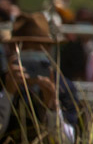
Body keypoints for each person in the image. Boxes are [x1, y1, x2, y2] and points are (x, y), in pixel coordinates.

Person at [1, 12, 81, 144]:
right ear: (12, 50)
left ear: (48, 50)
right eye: (25, 48)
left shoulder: (63, 87)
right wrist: (7, 94)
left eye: (38, 48)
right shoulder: (2, 82)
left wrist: (53, 108)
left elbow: (67, 141)